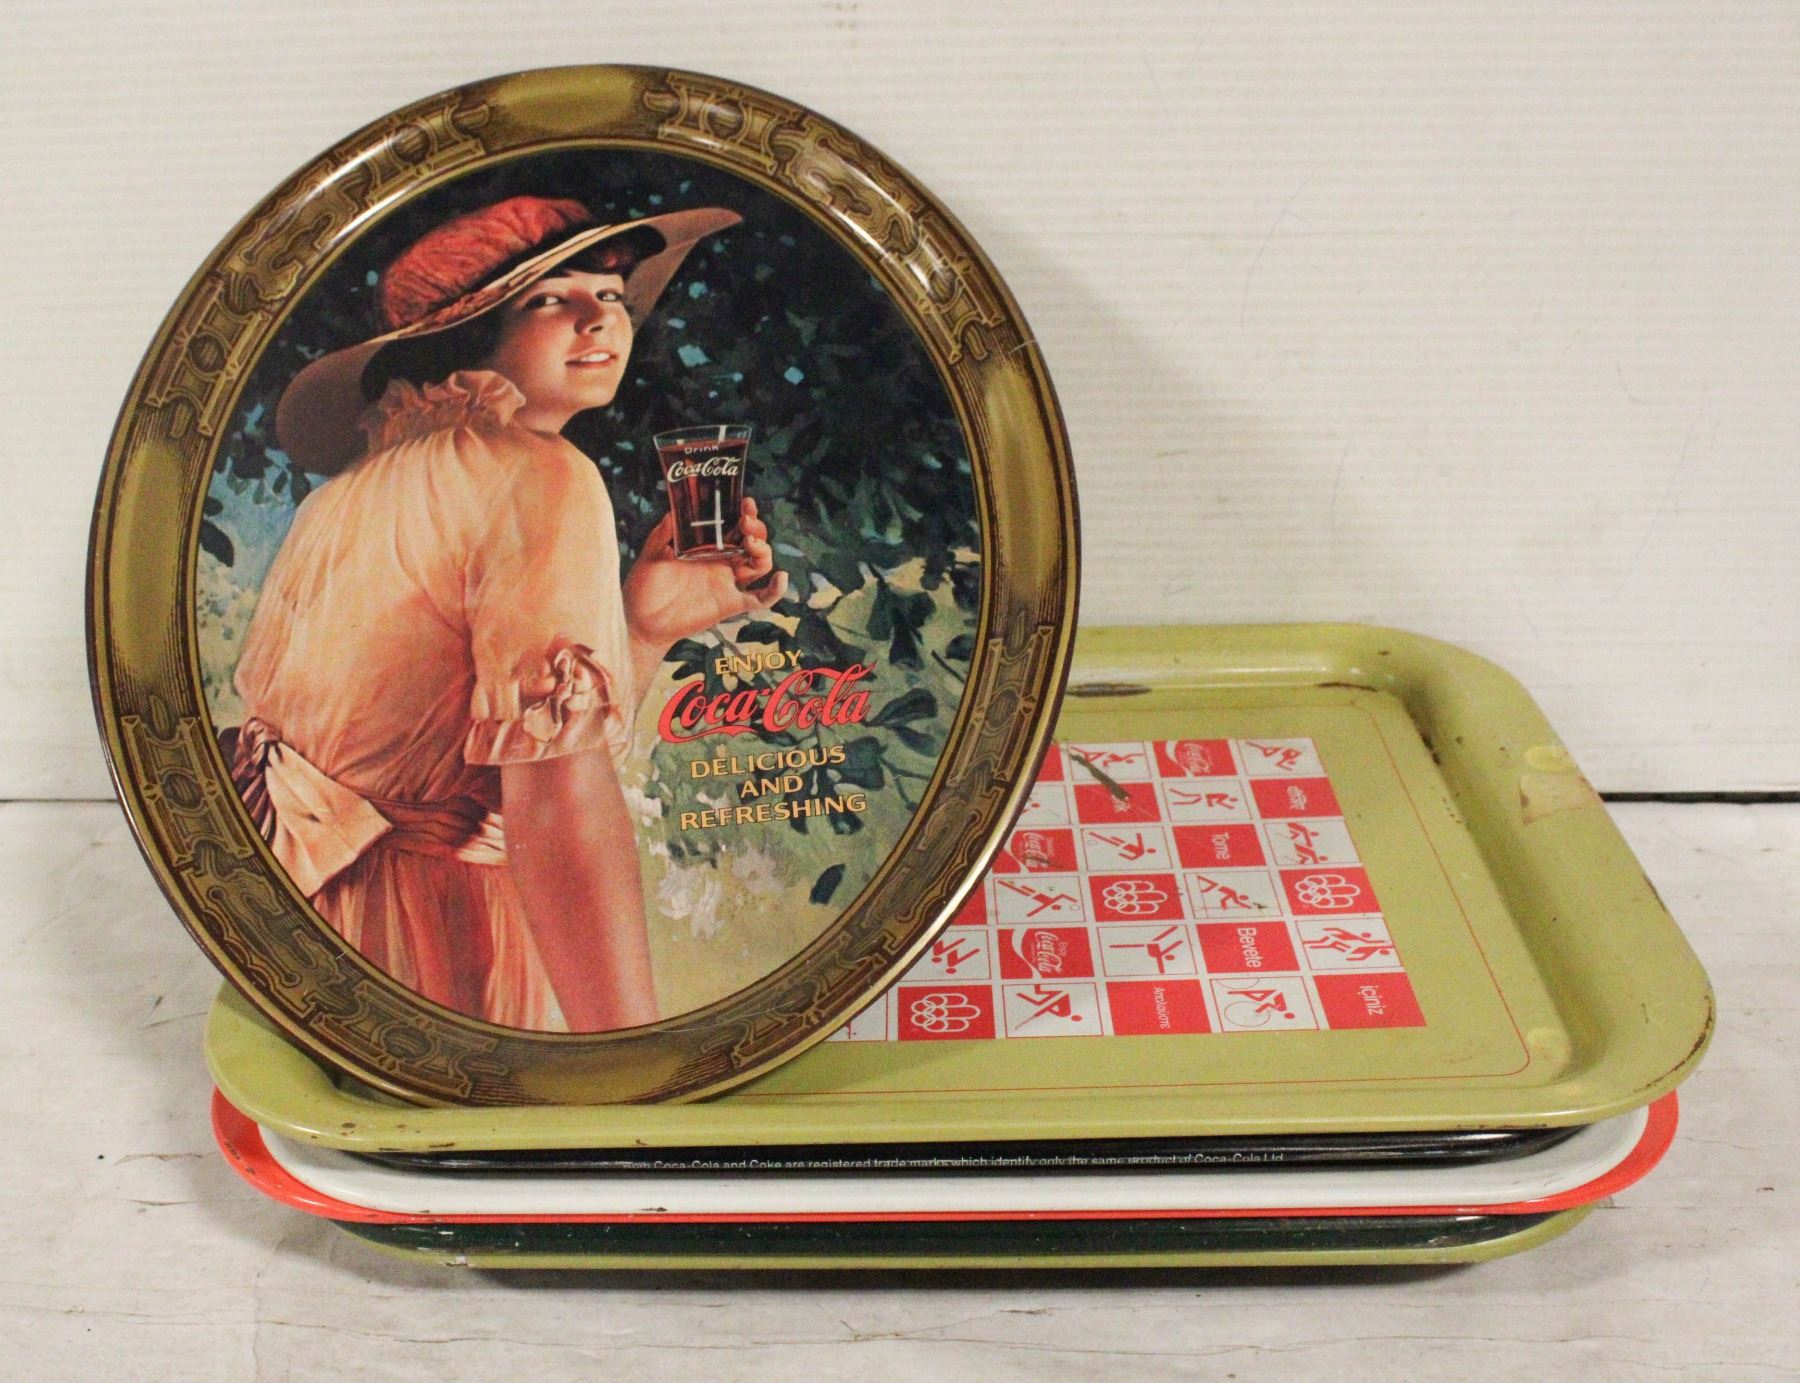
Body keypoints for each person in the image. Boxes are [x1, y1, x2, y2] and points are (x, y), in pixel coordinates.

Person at [230, 195, 785, 1033]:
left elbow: (482, 752)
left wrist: (641, 628)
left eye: (611, 295)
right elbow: (556, 802)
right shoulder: (540, 472)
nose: (598, 318)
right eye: (548, 299)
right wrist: (623, 1055)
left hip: (311, 919)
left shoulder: (349, 491)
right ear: (470, 336)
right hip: (429, 925)